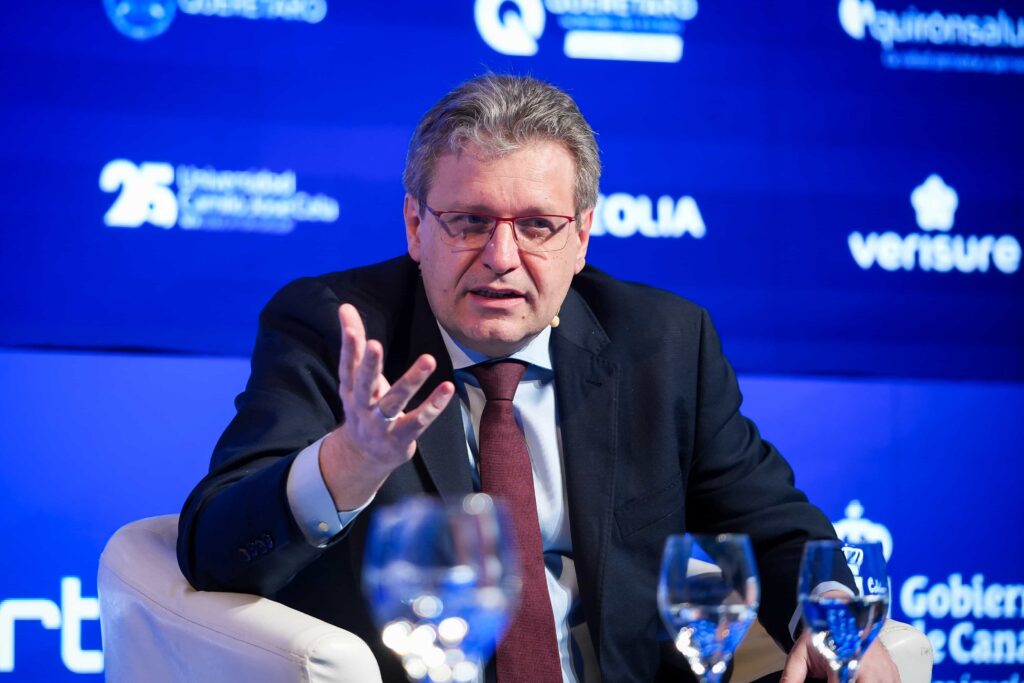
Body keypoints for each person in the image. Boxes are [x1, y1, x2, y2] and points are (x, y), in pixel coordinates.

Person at [177, 74, 898, 682]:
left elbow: (776, 526)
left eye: (536, 226)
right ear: (415, 226)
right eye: (469, 221)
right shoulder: (336, 332)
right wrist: (346, 464)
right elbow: (214, 549)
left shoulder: (664, 343)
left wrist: (837, 619)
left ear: (580, 237)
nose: (501, 256)